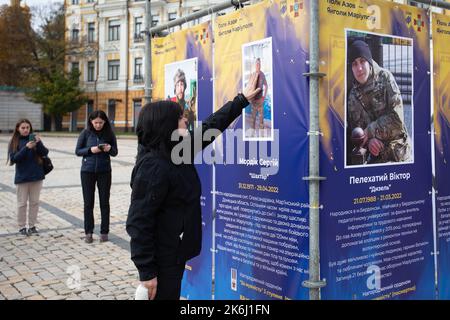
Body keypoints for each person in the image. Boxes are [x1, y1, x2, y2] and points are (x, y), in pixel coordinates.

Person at [126, 72, 262, 300]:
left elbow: (210, 127)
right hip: (161, 261)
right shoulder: (153, 166)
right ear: (165, 125)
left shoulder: (177, 150)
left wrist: (242, 100)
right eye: (180, 118)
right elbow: (138, 222)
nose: (185, 120)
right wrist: (147, 272)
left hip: (174, 254)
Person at [347, 39, 410, 165]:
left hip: (398, 157)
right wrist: (369, 141)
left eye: (362, 61)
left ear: (369, 61)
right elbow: (357, 134)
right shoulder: (352, 97)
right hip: (374, 161)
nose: (359, 68)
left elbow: (397, 119)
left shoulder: (385, 78)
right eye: (354, 64)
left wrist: (370, 132)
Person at [75, 110, 118, 243]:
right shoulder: (85, 133)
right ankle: (88, 232)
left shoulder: (109, 133)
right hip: (87, 171)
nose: (98, 125)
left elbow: (115, 152)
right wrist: (90, 150)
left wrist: (109, 149)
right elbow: (77, 151)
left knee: (104, 202)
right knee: (88, 203)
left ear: (105, 122)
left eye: (100, 122)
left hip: (104, 171)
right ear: (91, 122)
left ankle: (104, 232)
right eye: (95, 122)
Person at [7, 119, 49, 236]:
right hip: (22, 178)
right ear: (18, 129)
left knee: (34, 202)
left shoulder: (35, 139)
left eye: (27, 128)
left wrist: (39, 142)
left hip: (37, 176)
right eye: (23, 128)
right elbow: (14, 159)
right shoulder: (15, 142)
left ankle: (32, 226)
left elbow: (45, 152)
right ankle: (21, 227)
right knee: (22, 203)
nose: (25, 130)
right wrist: (26, 148)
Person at [249, 57, 268, 135]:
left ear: (260, 65)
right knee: (252, 118)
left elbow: (266, 86)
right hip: (253, 101)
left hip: (260, 100)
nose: (258, 65)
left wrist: (264, 96)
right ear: (255, 65)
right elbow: (250, 86)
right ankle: (252, 133)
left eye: (259, 64)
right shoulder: (253, 75)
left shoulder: (262, 75)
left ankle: (262, 134)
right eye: (256, 64)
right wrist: (250, 98)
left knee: (261, 119)